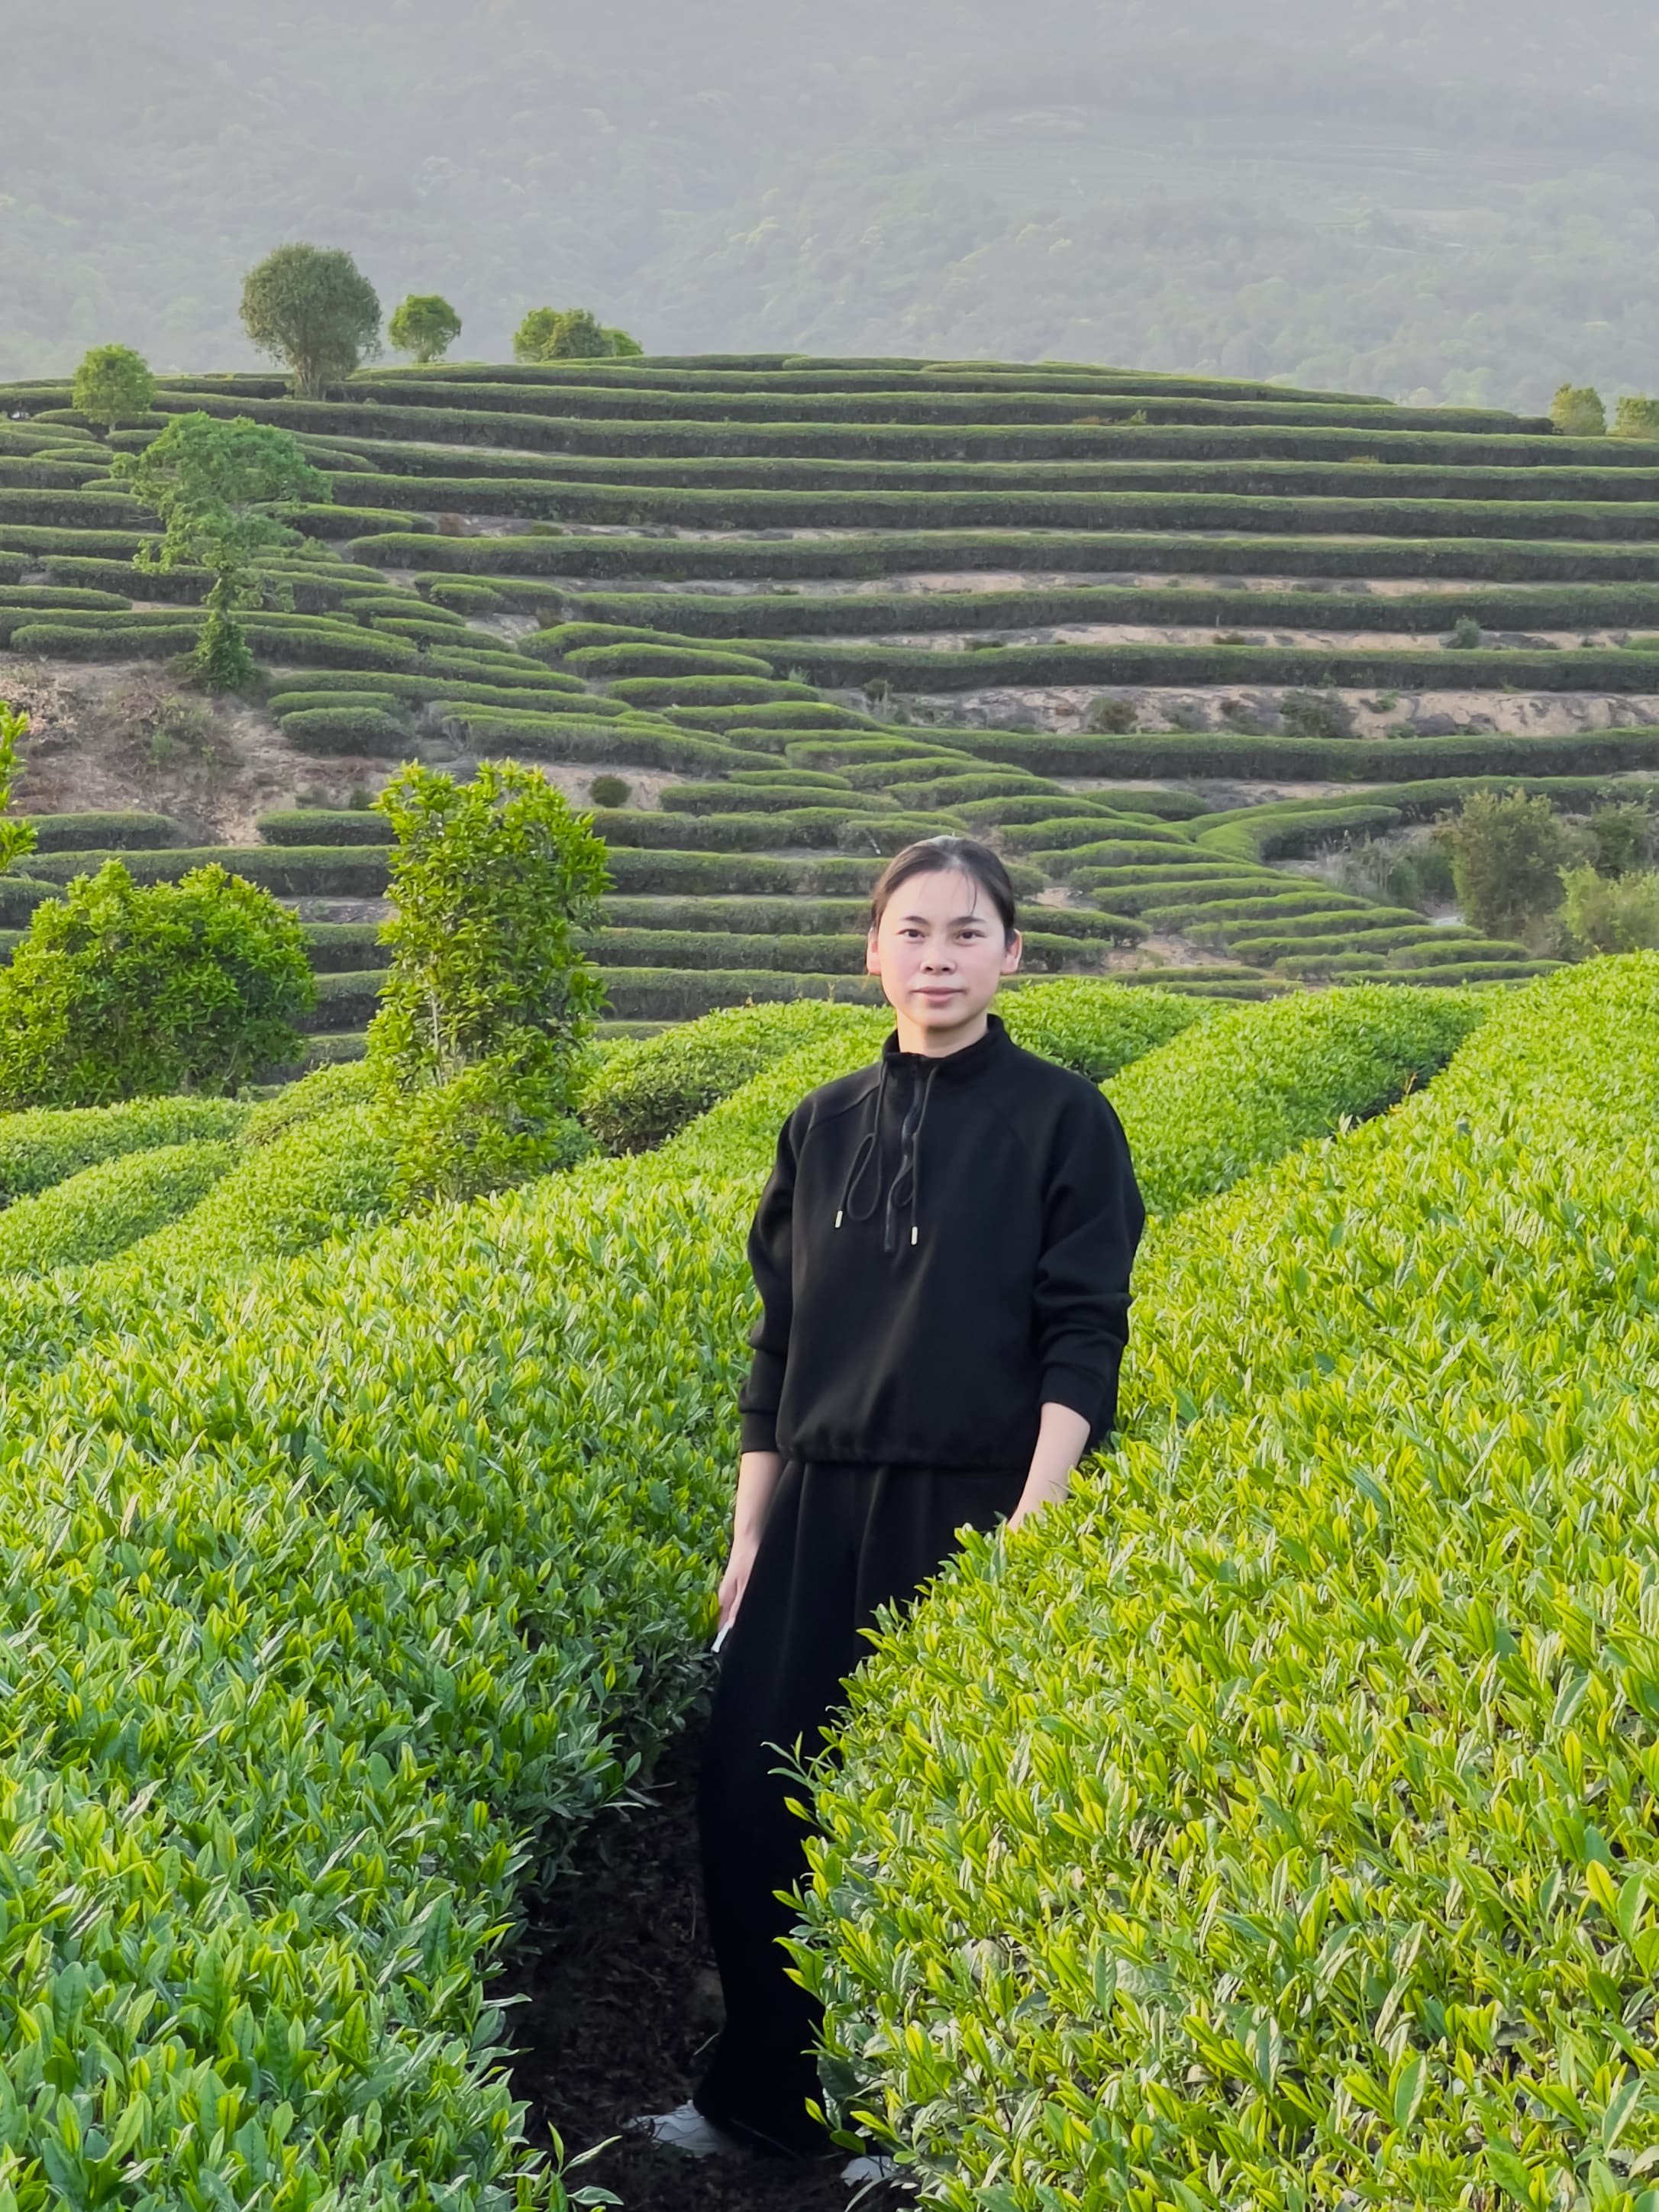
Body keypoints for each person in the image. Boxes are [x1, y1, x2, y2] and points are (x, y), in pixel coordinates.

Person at [631, 835, 1145, 2182]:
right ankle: (755, 2098)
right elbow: (775, 1346)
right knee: (752, 1804)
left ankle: (907, 2121)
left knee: (930, 1818)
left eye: (966, 933)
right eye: (911, 932)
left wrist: (1037, 1517)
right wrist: (749, 1532)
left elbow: (1082, 1334)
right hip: (811, 1510)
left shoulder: (1063, 1118)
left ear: (1012, 954)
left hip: (971, 1505)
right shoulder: (818, 1122)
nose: (936, 958)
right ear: (871, 952)